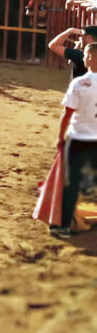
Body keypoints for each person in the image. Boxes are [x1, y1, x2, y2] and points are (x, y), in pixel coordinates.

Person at [56, 42, 97, 237]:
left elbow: (67, 113)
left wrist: (60, 137)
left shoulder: (79, 83)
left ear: (90, 58)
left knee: (71, 183)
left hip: (79, 138)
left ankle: (64, 226)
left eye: (87, 55)